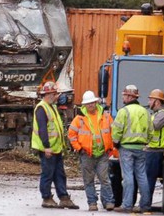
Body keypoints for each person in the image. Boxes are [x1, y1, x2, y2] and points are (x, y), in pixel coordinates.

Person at [32, 81, 79, 209]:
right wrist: (46, 146)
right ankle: (46, 198)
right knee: (48, 173)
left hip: (55, 148)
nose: (57, 96)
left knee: (59, 174)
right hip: (48, 148)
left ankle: (64, 197)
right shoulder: (42, 108)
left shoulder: (51, 107)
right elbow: (42, 129)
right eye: (55, 93)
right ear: (49, 94)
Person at [69, 90, 116, 212]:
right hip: (86, 154)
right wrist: (79, 148)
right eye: (88, 103)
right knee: (88, 180)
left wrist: (112, 148)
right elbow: (71, 135)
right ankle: (92, 203)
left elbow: (114, 132)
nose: (90, 105)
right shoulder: (79, 119)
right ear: (84, 105)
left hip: (102, 154)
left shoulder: (106, 116)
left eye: (92, 103)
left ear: (96, 103)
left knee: (104, 178)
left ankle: (109, 202)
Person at [111, 84, 153, 213]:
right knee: (142, 176)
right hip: (141, 148)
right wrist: (146, 142)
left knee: (128, 176)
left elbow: (117, 130)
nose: (123, 98)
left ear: (129, 96)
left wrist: (116, 143)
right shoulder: (144, 112)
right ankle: (145, 205)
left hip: (126, 148)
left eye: (124, 95)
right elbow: (151, 131)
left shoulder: (124, 111)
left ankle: (127, 205)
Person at [145, 89, 164, 205]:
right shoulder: (155, 114)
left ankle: (146, 204)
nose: (148, 102)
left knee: (150, 179)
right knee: (148, 179)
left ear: (157, 101)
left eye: (151, 100)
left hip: (156, 151)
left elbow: (154, 126)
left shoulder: (163, 115)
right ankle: (145, 203)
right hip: (152, 150)